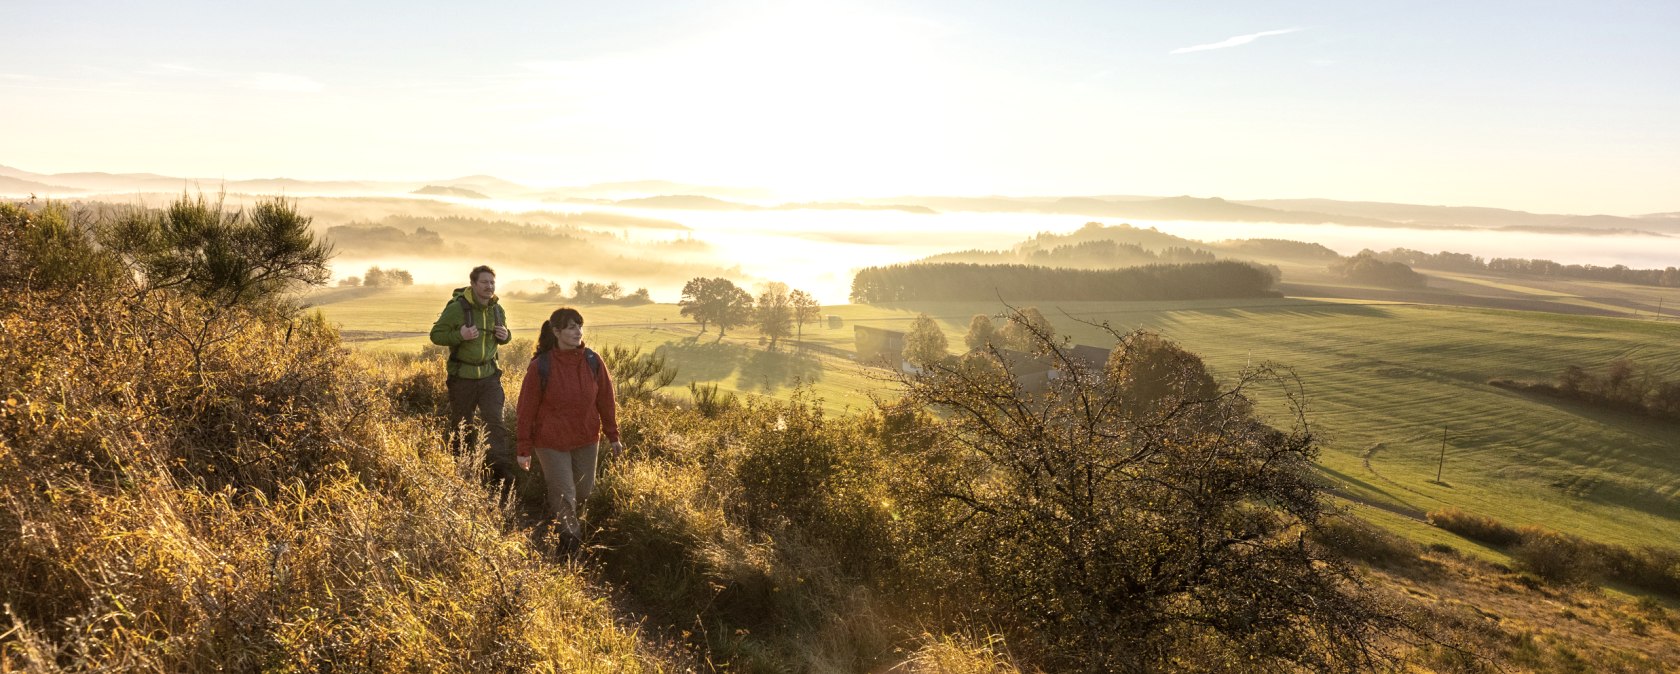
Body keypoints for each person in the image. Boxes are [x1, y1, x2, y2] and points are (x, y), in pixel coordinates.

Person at [515, 306, 623, 549]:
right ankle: (569, 548)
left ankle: (556, 517)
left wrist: (613, 435)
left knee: (584, 491)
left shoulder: (593, 361)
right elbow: (526, 410)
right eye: (571, 327)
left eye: (579, 326)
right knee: (565, 495)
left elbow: (606, 399)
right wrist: (524, 447)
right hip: (551, 442)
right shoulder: (540, 366)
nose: (578, 331)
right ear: (556, 331)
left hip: (586, 438)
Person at [429, 265, 515, 492]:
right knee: (462, 425)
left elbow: (505, 335)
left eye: (492, 283)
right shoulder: (457, 309)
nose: (489, 286)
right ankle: (462, 470)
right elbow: (436, 335)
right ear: (474, 284)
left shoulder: (497, 309)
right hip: (462, 378)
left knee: (495, 422)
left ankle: (501, 474)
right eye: (485, 282)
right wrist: (460, 335)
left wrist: (506, 336)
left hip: (489, 377)